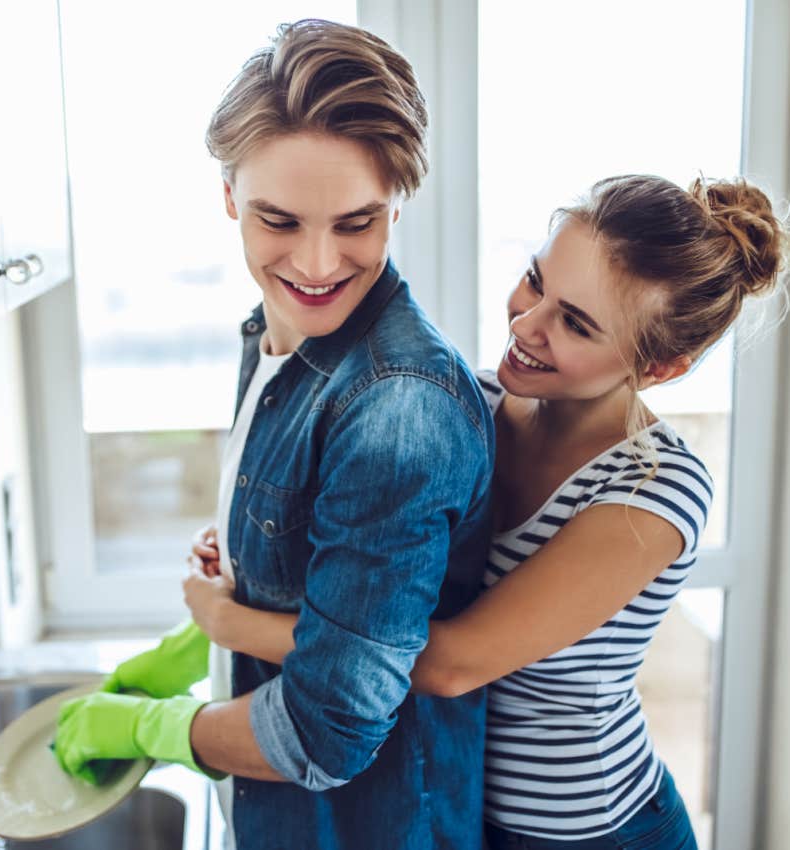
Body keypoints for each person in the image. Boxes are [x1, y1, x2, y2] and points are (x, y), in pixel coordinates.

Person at [184, 173, 787, 849]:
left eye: (577, 323)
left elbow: (452, 664)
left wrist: (231, 622)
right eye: (536, 281)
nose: (527, 325)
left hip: (591, 833)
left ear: (663, 369)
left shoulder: (653, 490)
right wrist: (249, 557)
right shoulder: (468, 401)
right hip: (459, 808)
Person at [53, 18, 495, 850]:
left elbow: (325, 734)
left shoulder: (399, 406)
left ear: (400, 201)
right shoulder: (277, 336)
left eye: (357, 223)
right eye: (280, 221)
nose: (319, 264)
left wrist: (150, 727)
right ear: (228, 197)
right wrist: (240, 581)